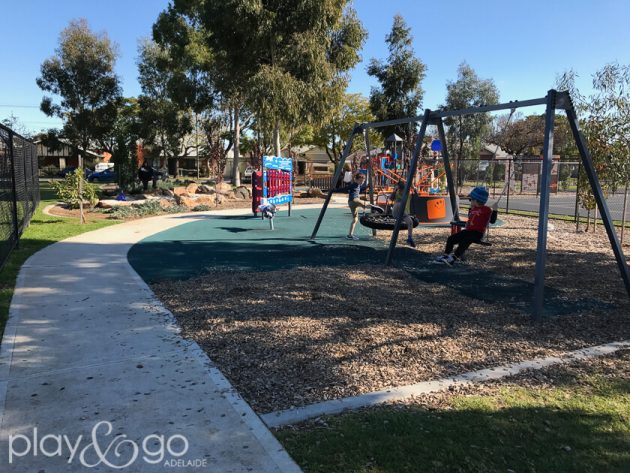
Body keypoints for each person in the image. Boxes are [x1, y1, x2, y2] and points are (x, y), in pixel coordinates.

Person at [436, 186, 495, 266]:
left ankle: (453, 258)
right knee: (451, 239)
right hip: (468, 231)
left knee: (465, 241)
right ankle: (446, 255)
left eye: (471, 199)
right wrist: (471, 209)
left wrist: (495, 211)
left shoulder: (487, 209)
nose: (470, 201)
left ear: (476, 200)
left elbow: (492, 221)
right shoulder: (473, 208)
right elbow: (470, 218)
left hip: (477, 233)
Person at [390, 180, 416, 248]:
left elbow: (416, 196)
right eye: (400, 190)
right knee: (399, 203)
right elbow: (391, 199)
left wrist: (413, 187)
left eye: (403, 190)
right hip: (396, 213)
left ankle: (409, 238)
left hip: (404, 214)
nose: (401, 191)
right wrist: (394, 191)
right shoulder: (397, 193)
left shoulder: (408, 193)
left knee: (410, 222)